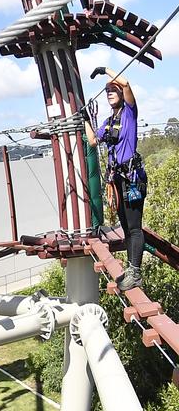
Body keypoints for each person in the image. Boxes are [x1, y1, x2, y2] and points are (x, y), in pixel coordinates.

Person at [83, 67, 146, 290]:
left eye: (112, 90)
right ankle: (131, 269)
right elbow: (93, 141)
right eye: (107, 91)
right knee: (126, 227)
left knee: (135, 227)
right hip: (118, 180)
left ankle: (136, 273)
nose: (109, 93)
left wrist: (106, 71)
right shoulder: (109, 122)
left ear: (120, 93)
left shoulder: (129, 113)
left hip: (132, 178)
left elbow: (127, 83)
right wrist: (86, 120)